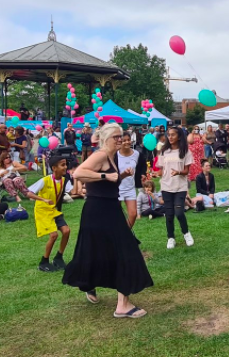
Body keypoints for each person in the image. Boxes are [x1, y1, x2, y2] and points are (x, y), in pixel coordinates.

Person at [63, 122, 153, 319]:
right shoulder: (101, 154)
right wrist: (106, 174)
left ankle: (88, 284)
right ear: (105, 139)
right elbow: (78, 173)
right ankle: (123, 306)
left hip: (106, 208)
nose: (121, 140)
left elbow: (105, 181)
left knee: (97, 251)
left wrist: (119, 176)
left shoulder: (112, 156)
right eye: (116, 137)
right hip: (100, 210)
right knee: (126, 250)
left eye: (121, 136)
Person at [27, 156, 73, 272]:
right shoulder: (45, 180)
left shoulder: (64, 180)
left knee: (66, 231)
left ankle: (58, 258)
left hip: (54, 210)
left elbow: (74, 191)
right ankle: (44, 262)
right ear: (54, 168)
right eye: (62, 165)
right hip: (43, 211)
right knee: (54, 235)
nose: (65, 167)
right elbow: (29, 193)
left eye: (65, 164)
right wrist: (43, 200)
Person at [156, 127, 194, 249]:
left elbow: (187, 171)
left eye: (173, 135)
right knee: (169, 214)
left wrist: (178, 172)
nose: (170, 137)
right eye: (168, 135)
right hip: (166, 186)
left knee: (179, 212)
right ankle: (171, 237)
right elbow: (161, 171)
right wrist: (154, 174)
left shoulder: (185, 151)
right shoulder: (164, 151)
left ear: (179, 136)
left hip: (180, 186)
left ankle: (186, 233)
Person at [116, 131, 140, 226]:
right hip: (117, 188)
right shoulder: (115, 155)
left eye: (128, 140)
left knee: (133, 214)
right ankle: (116, 235)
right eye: (124, 140)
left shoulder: (136, 154)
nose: (127, 142)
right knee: (116, 215)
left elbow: (138, 169)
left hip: (130, 188)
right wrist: (124, 174)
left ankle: (125, 234)